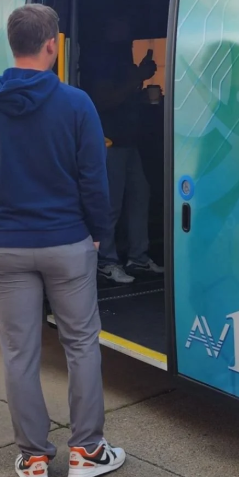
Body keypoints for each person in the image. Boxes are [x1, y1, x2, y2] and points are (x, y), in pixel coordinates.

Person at [0, 4, 126, 477]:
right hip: (67, 242)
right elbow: (94, 178)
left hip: (5, 247)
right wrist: (98, 233)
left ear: (13, 43)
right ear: (53, 43)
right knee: (81, 345)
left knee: (19, 352)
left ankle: (32, 458)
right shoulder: (76, 104)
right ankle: (88, 451)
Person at [84, 25, 163, 285]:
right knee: (111, 205)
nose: (128, 35)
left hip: (131, 143)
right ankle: (106, 261)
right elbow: (103, 100)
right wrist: (137, 76)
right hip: (110, 143)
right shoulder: (103, 62)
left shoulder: (123, 61)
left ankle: (138, 256)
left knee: (141, 195)